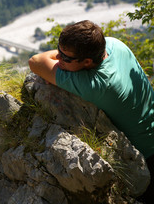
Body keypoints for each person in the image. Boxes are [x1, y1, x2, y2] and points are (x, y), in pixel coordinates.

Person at [28, 20, 154, 202]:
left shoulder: (98, 85)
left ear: (87, 62)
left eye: (66, 58)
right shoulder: (114, 45)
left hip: (146, 159)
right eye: (59, 51)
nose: (59, 59)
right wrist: (67, 65)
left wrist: (54, 72)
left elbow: (35, 62)